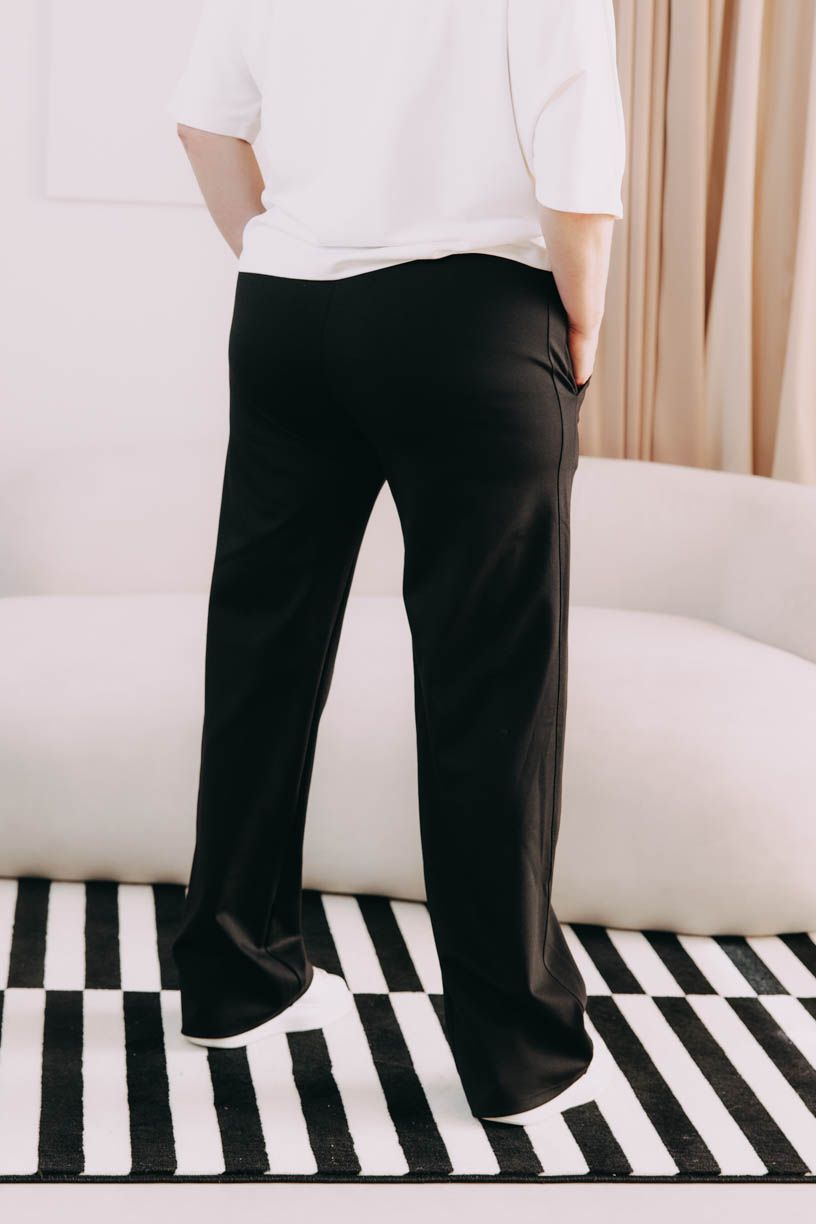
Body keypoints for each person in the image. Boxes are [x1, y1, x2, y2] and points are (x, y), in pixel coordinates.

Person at [166, 0, 626, 1128]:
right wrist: (582, 327)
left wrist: (283, 251)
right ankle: (518, 1052)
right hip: (475, 315)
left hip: (287, 316)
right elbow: (577, 172)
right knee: (489, 682)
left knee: (261, 651)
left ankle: (234, 979)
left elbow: (203, 125)